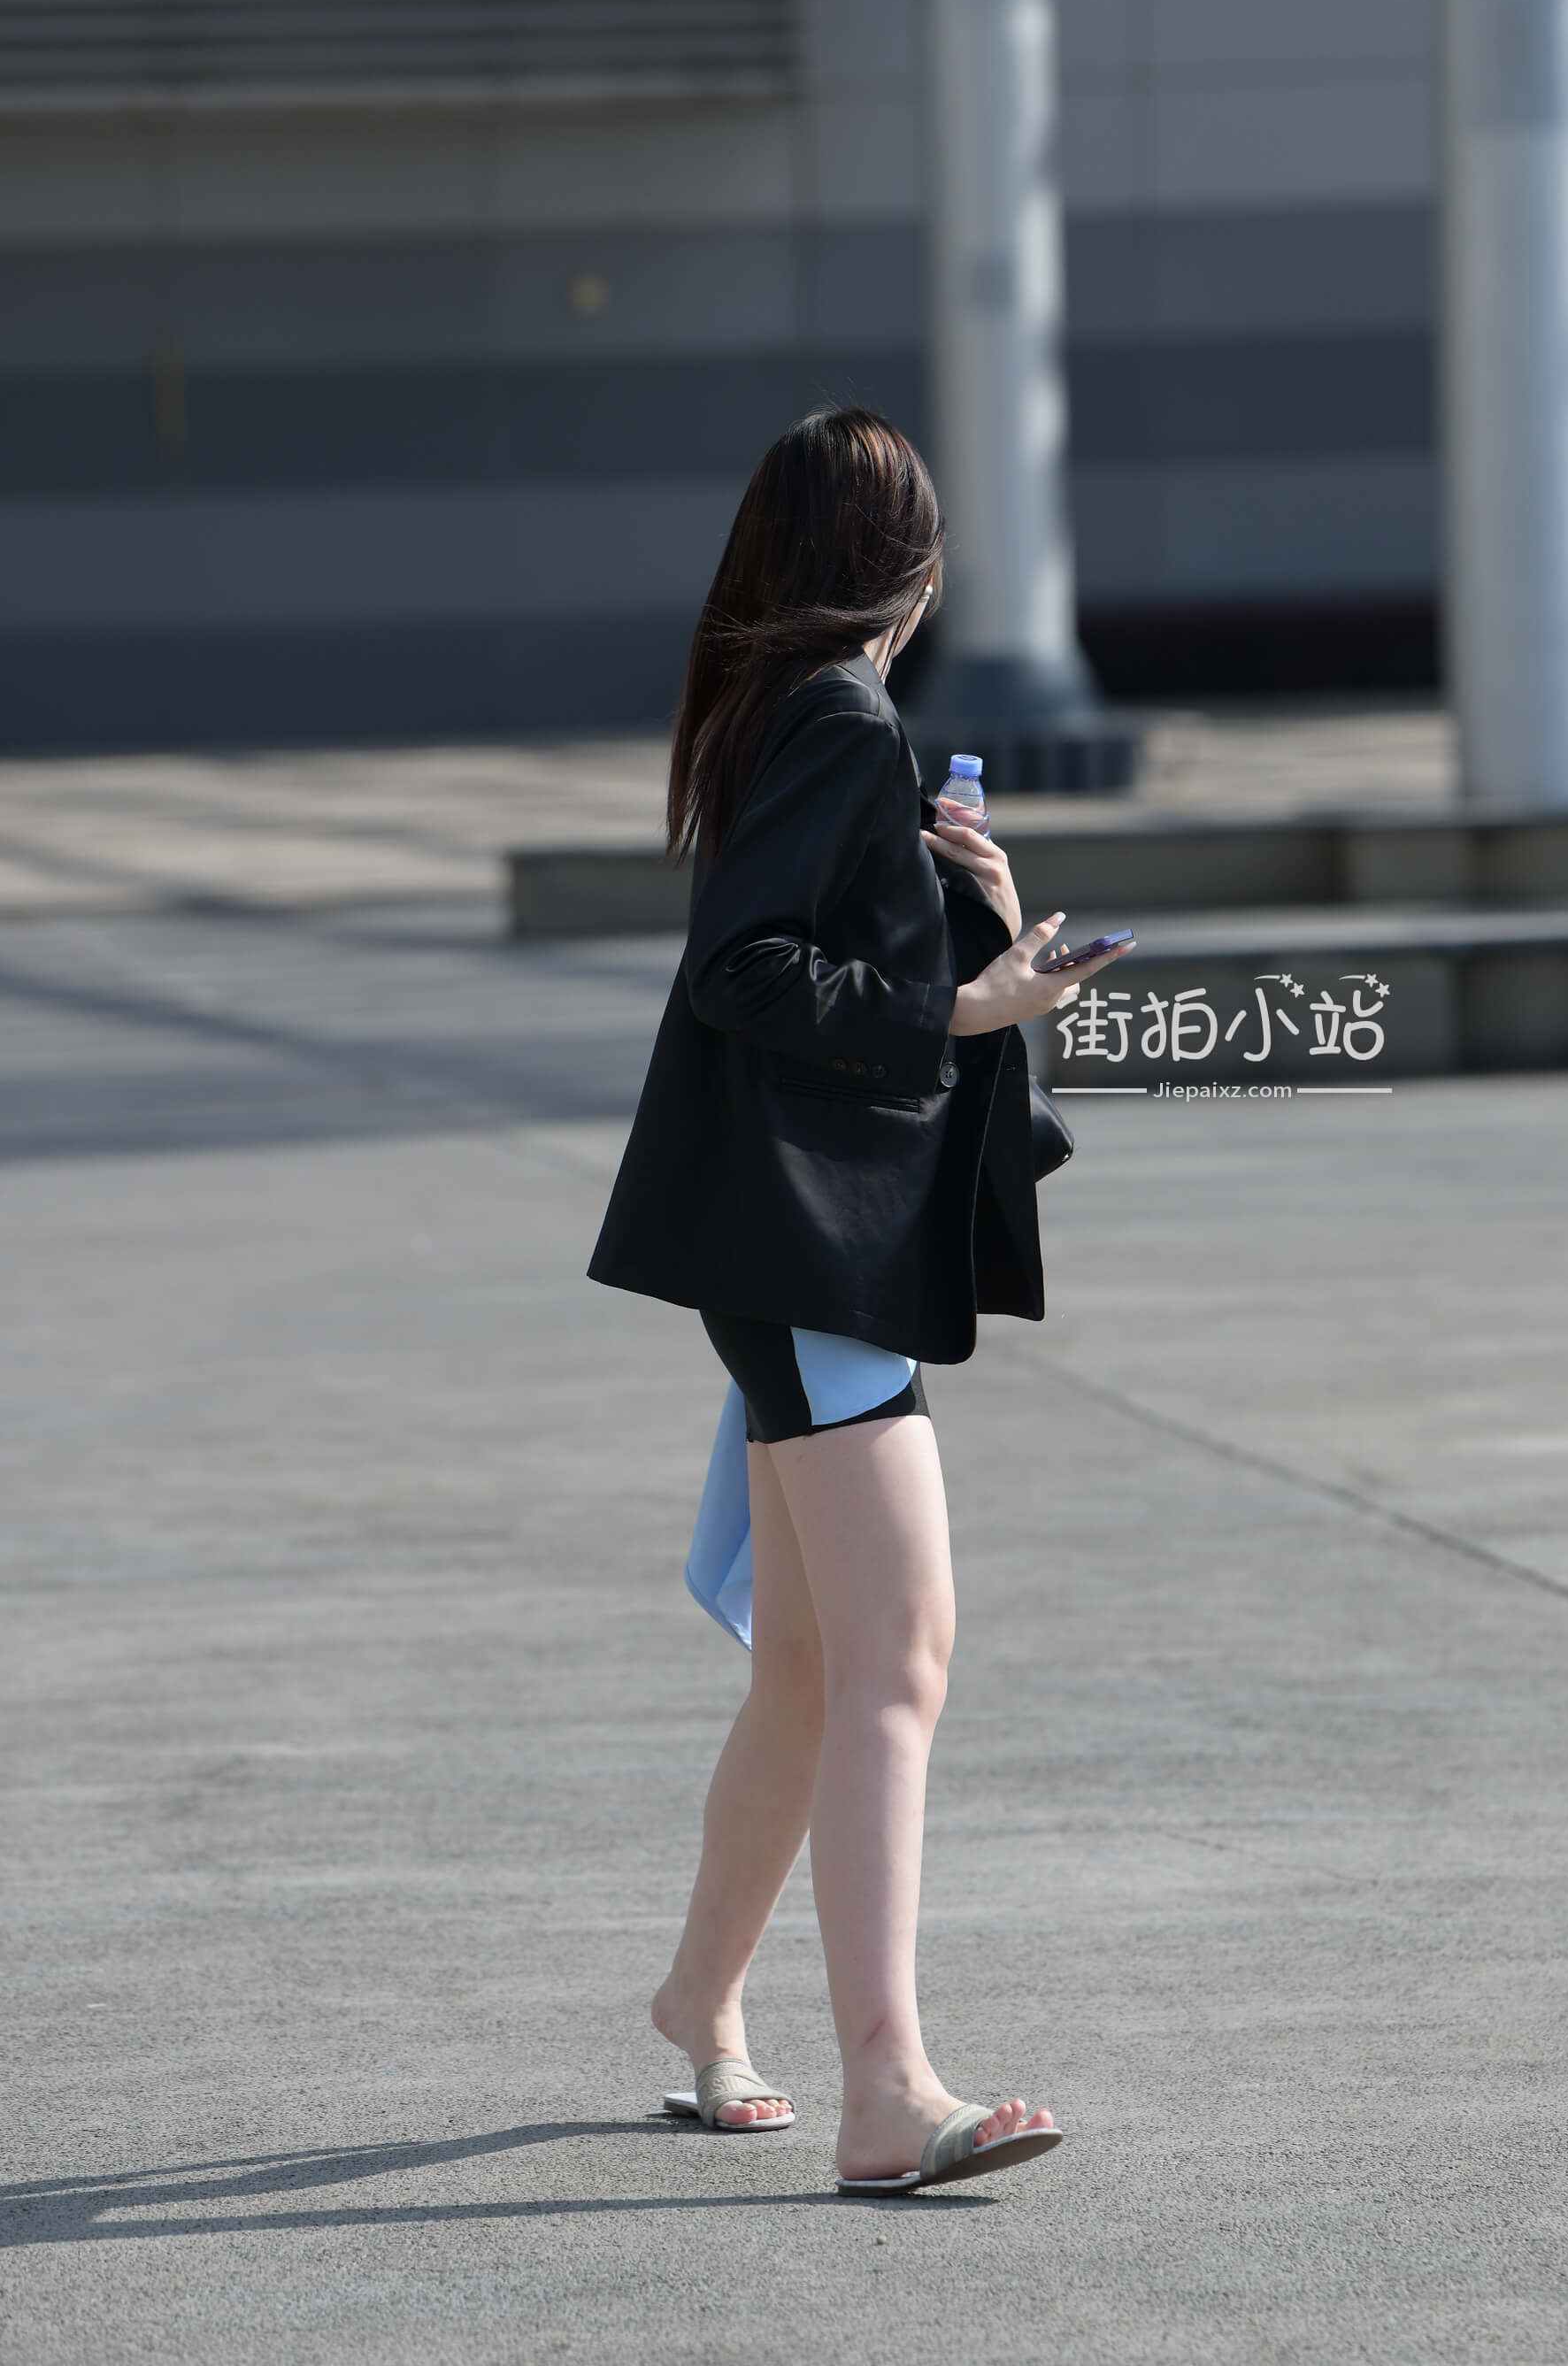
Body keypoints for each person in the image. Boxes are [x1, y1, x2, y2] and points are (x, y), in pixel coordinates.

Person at [586, 405, 1125, 2195]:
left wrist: (983, 922)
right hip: (809, 1253)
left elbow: (807, 953)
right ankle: (887, 2089)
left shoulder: (791, 707)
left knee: (817, 1672)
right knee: (897, 1658)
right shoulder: (836, 712)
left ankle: (698, 2001)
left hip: (794, 1250)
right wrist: (965, 1008)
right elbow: (744, 970)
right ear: (908, 566)